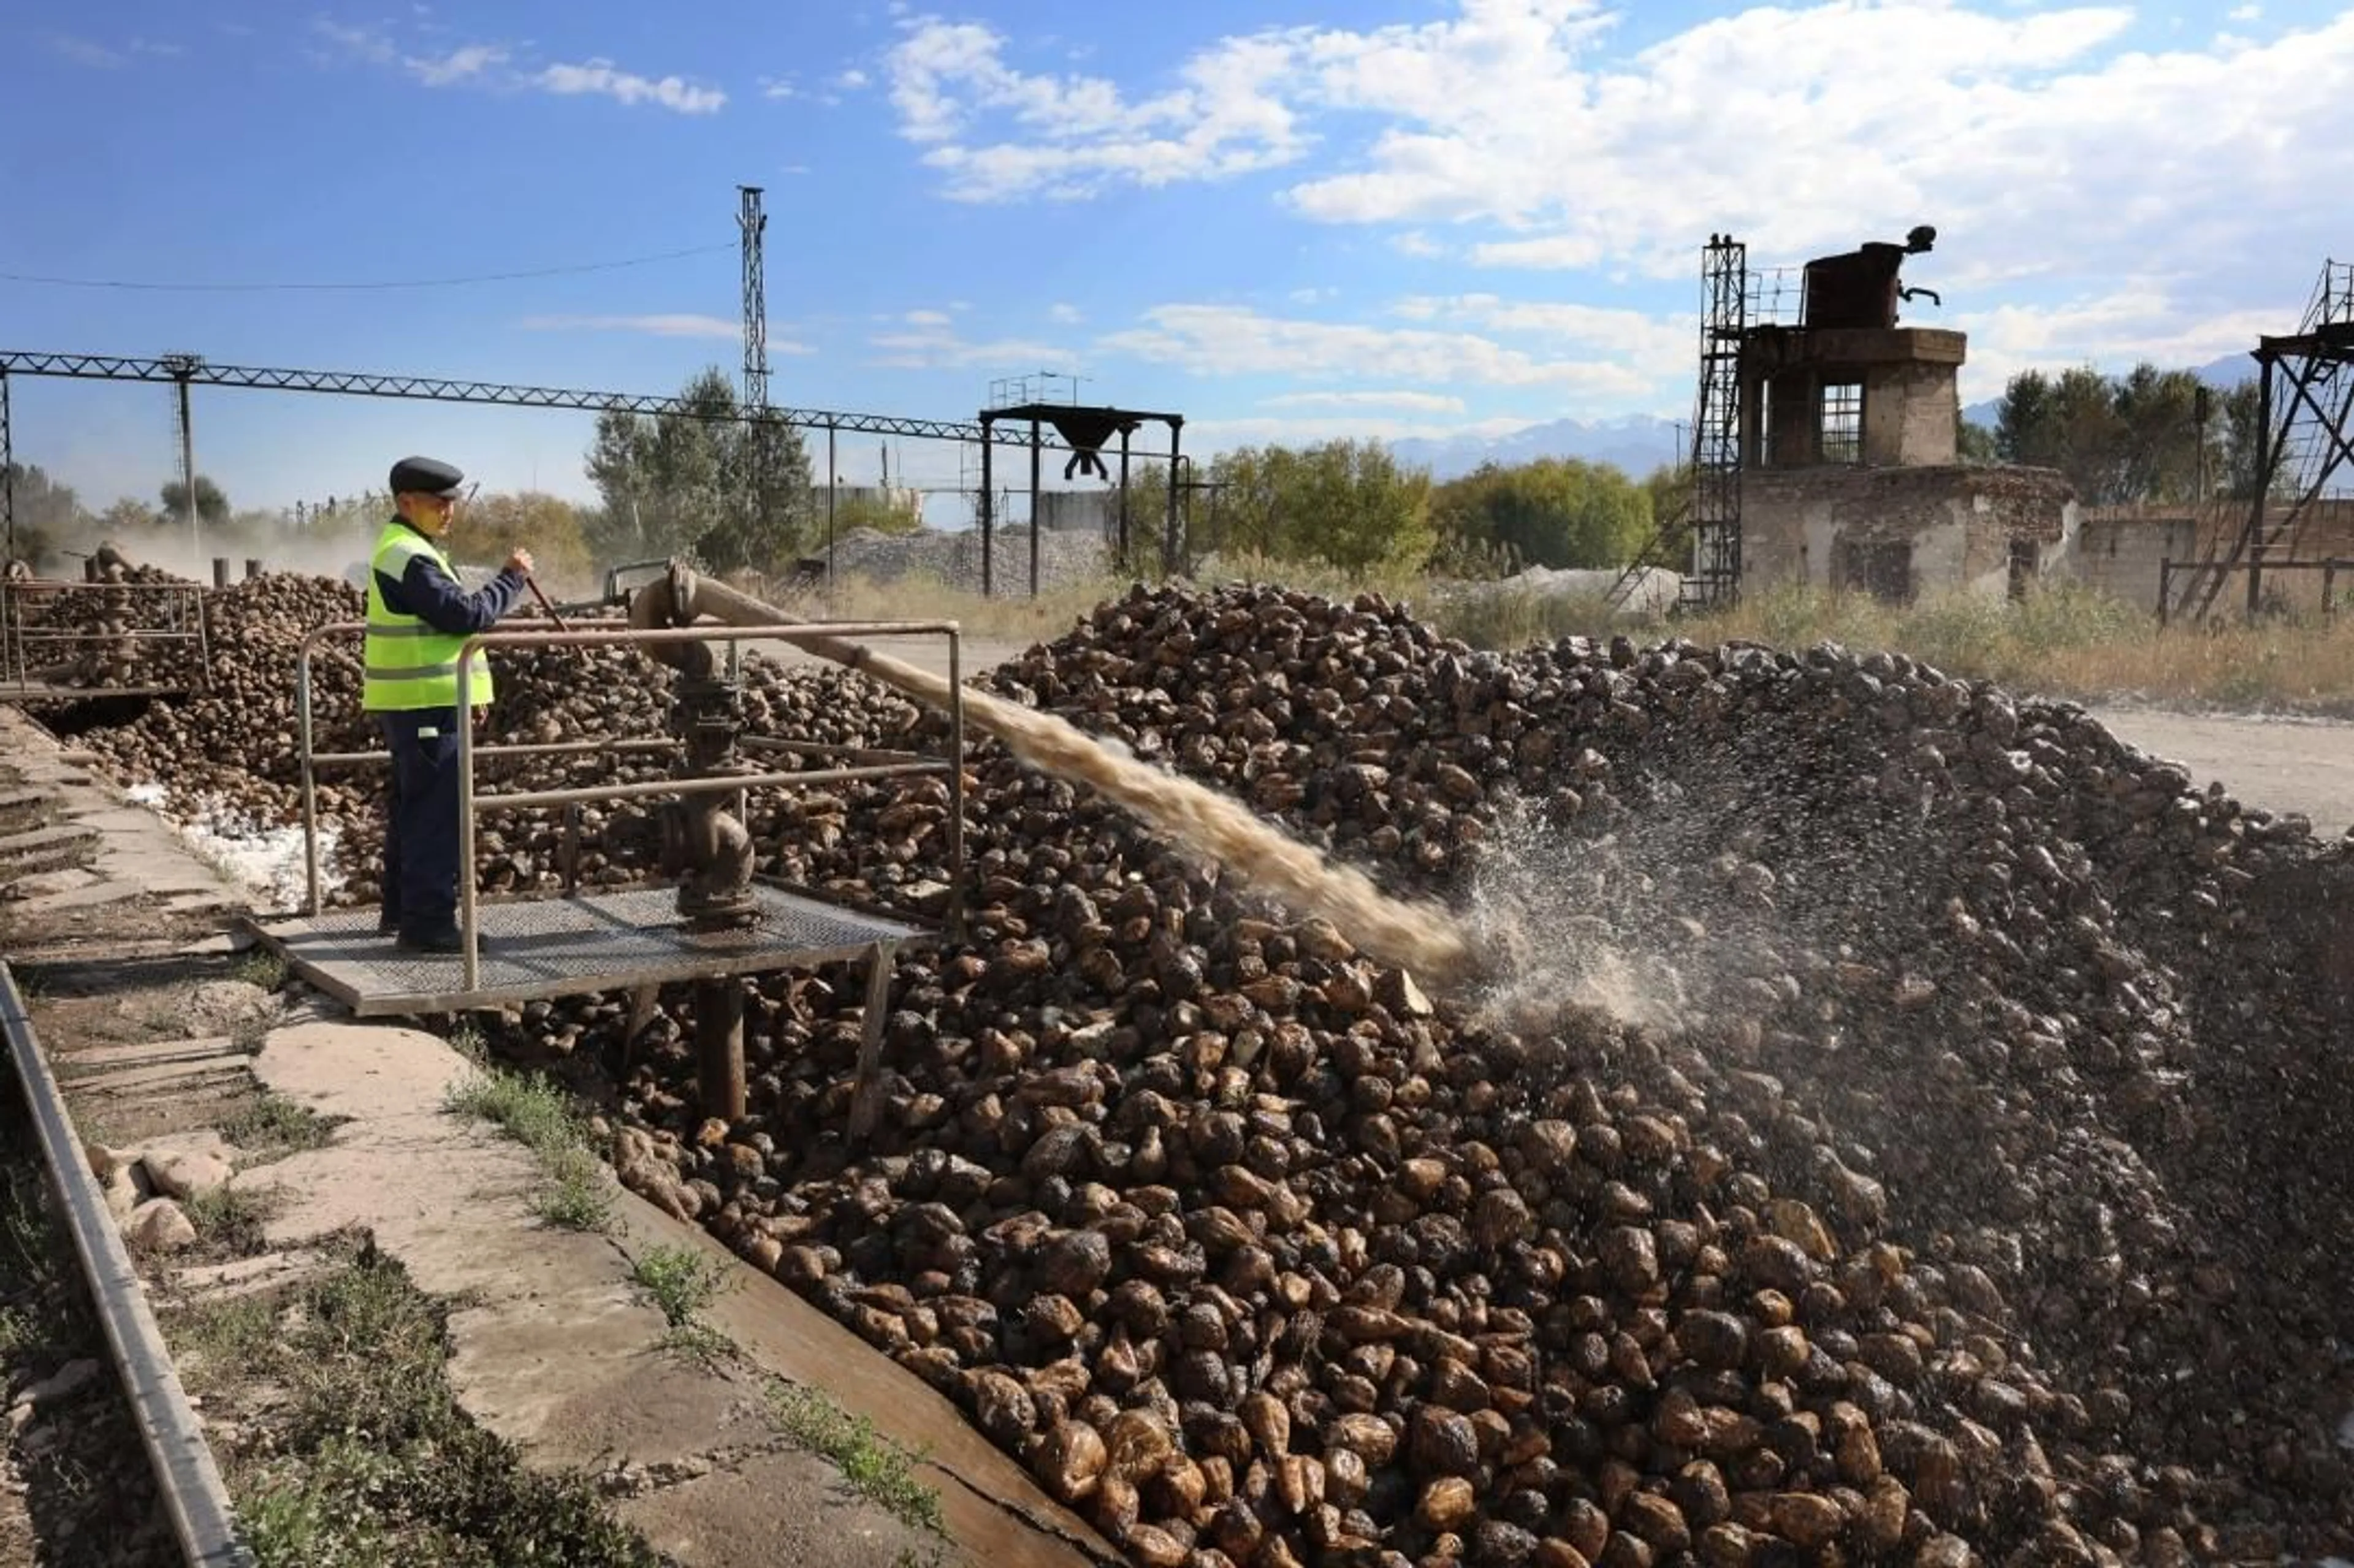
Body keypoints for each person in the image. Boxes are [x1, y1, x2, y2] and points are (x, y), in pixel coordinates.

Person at [363, 456, 533, 953]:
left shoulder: (410, 549)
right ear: (405, 502)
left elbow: (436, 633)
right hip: (424, 706)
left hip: (423, 703)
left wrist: (471, 695)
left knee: (413, 809)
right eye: (439, 503)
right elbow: (463, 616)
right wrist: (511, 579)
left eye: (452, 503)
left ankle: (400, 913)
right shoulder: (407, 555)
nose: (449, 512)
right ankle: (430, 924)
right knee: (434, 814)